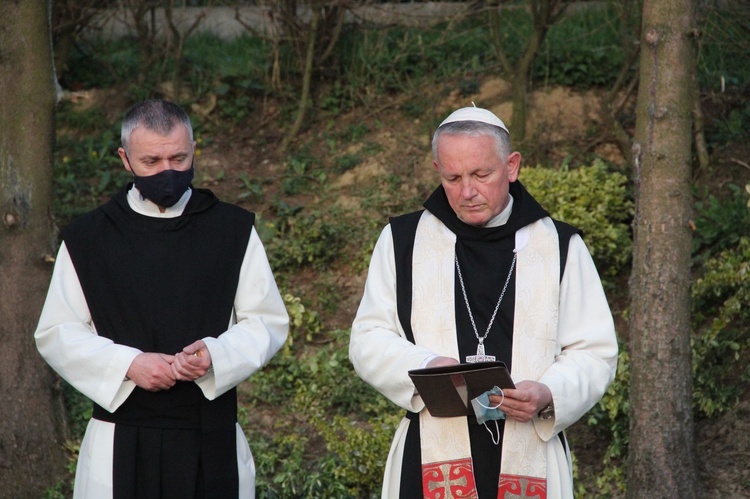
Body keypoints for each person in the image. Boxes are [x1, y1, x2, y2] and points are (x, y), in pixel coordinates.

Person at [349, 106, 618, 499]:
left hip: (530, 453)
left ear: (511, 166)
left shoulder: (560, 246)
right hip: (430, 451)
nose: (466, 192)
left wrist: (547, 393)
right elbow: (368, 337)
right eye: (452, 178)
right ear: (438, 168)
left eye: (481, 174)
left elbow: (594, 351)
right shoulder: (403, 241)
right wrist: (427, 367)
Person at [35, 99, 289, 498]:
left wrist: (214, 355)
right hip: (119, 435)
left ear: (193, 150)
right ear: (125, 159)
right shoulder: (89, 238)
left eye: (178, 157)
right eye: (151, 161)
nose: (167, 172)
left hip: (210, 431)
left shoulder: (231, 230)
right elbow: (57, 331)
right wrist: (129, 363)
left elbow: (266, 321)